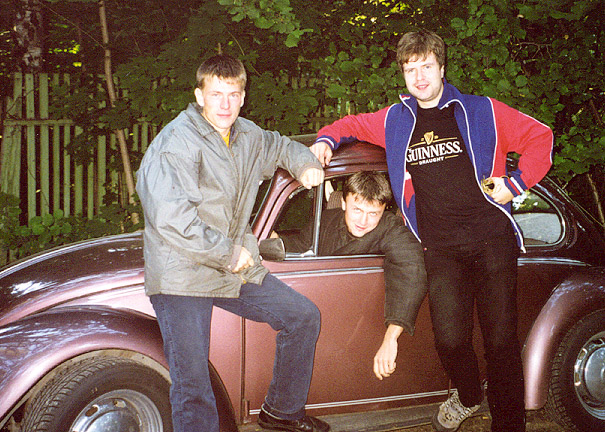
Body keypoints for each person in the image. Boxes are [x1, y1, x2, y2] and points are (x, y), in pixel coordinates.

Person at [309, 30, 553, 432]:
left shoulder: (481, 110)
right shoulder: (396, 120)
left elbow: (540, 137)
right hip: (441, 249)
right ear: (403, 74)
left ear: (442, 67)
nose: (419, 77)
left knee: (501, 344)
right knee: (450, 341)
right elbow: (350, 124)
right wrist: (325, 139)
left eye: (426, 67)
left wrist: (516, 183)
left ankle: (508, 425)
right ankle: (470, 396)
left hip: (491, 240)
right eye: (411, 69)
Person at [136, 54, 330, 432]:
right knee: (193, 385)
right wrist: (228, 253)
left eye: (233, 94)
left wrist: (305, 163)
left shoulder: (247, 135)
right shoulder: (175, 143)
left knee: (302, 316)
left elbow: (280, 145)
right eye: (216, 94)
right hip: (182, 273)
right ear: (199, 96)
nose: (225, 104)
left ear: (243, 97)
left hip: (228, 267)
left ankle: (281, 412)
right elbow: (171, 219)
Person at [276, 171, 427, 378]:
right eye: (357, 210)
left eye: (373, 213)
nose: (363, 221)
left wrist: (391, 338)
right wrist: (275, 241)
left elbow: (411, 267)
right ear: (344, 203)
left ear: (384, 210)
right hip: (323, 315)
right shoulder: (326, 220)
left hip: (358, 325)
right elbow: (302, 245)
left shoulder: (391, 229)